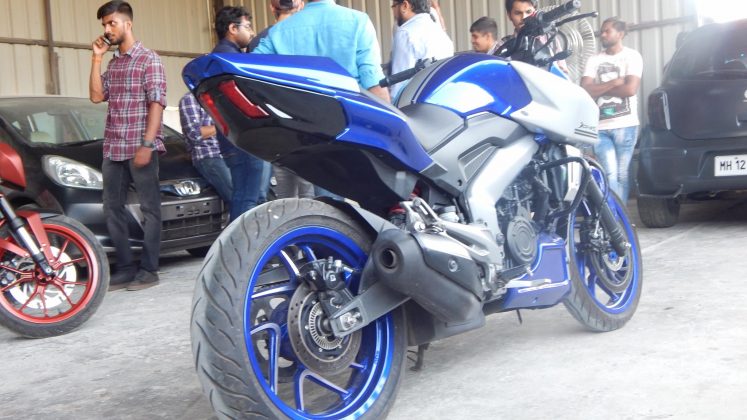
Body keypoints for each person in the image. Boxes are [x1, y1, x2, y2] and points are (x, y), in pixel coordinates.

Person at [89, 0, 165, 291]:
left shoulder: (149, 59)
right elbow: (97, 96)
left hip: (139, 145)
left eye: (112, 23)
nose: (108, 29)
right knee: (112, 208)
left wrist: (147, 143)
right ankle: (124, 268)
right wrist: (96, 58)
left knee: (150, 209)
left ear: (127, 24)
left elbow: (156, 103)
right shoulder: (113, 63)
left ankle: (149, 270)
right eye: (105, 25)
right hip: (114, 147)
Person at [252, 0, 390, 103]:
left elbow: (250, 70)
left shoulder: (277, 32)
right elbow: (372, 78)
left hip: (297, 120)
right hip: (351, 116)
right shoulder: (358, 21)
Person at [247, 0, 316, 200]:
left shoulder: (260, 40)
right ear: (300, 5)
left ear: (272, 7)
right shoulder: (307, 35)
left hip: (275, 122)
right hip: (307, 120)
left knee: (284, 190)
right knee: (308, 187)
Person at [212, 6, 272, 221]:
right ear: (232, 28)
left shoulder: (220, 56)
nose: (252, 32)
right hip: (245, 140)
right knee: (248, 199)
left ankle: (237, 240)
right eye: (247, 26)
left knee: (242, 196)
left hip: (233, 139)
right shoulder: (231, 59)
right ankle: (240, 241)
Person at [580, 17, 642, 203]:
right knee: (609, 173)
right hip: (600, 126)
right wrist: (614, 83)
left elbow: (630, 89)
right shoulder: (594, 60)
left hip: (626, 125)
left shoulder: (632, 56)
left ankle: (619, 215)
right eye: (602, 31)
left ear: (620, 34)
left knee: (622, 175)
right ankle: (614, 216)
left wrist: (599, 88)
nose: (603, 34)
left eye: (607, 31)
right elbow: (585, 89)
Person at [389, 0, 454, 100]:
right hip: (443, 100)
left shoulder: (405, 33)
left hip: (417, 104)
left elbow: (399, 87)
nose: (393, 12)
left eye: (394, 6)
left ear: (404, 6)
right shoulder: (440, 33)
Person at [178, 92, 233, 205]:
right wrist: (226, 125)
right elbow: (195, 134)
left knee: (256, 195)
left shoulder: (221, 95)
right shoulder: (190, 99)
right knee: (236, 196)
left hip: (232, 154)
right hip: (210, 155)